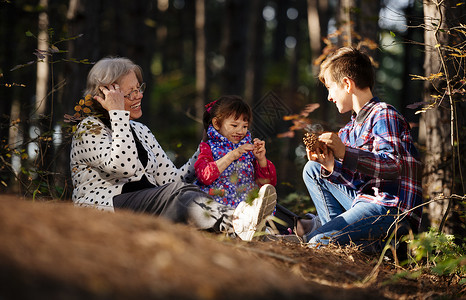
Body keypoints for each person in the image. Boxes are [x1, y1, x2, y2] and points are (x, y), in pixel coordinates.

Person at [70, 57, 274, 241]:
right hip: (106, 209)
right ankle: (237, 222)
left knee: (207, 192)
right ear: (107, 95)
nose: (139, 95)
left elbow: (173, 181)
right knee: (180, 195)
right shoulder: (89, 129)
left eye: (139, 88)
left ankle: (297, 227)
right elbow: (125, 167)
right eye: (130, 92)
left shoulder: (140, 130)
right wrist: (117, 114)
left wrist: (206, 147)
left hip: (153, 204)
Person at [302, 47, 422, 251]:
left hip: (390, 209)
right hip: (364, 203)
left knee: (318, 242)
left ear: (347, 84)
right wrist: (330, 165)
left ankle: (333, 242)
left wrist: (345, 153)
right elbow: (359, 184)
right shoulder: (348, 130)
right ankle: (342, 243)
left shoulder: (384, 114)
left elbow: (392, 166)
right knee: (313, 169)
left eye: (330, 88)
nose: (329, 97)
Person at [194, 95, 319, 239]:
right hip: (222, 203)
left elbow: (268, 183)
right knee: (254, 211)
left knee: (266, 206)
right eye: (234, 125)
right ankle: (276, 231)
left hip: (250, 202)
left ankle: (297, 229)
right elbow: (204, 176)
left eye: (245, 126)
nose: (240, 131)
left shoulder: (248, 147)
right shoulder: (208, 147)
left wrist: (261, 160)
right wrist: (232, 155)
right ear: (216, 124)